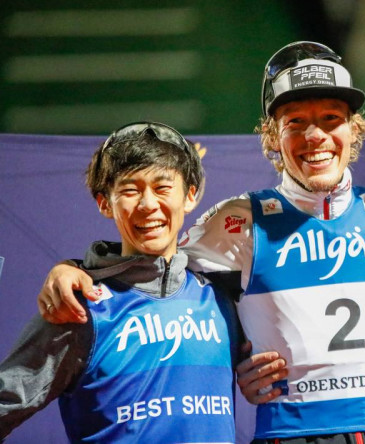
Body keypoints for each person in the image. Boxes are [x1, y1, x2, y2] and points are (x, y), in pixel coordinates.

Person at [38, 42, 365, 443]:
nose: (315, 135)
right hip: (291, 435)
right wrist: (76, 269)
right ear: (273, 136)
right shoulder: (240, 221)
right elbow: (154, 267)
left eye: (332, 118)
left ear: (354, 128)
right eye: (295, 122)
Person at [0, 122, 240, 442]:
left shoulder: (221, 299)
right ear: (104, 203)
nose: (147, 204)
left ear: (190, 195)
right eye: (130, 190)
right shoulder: (80, 306)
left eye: (163, 187)